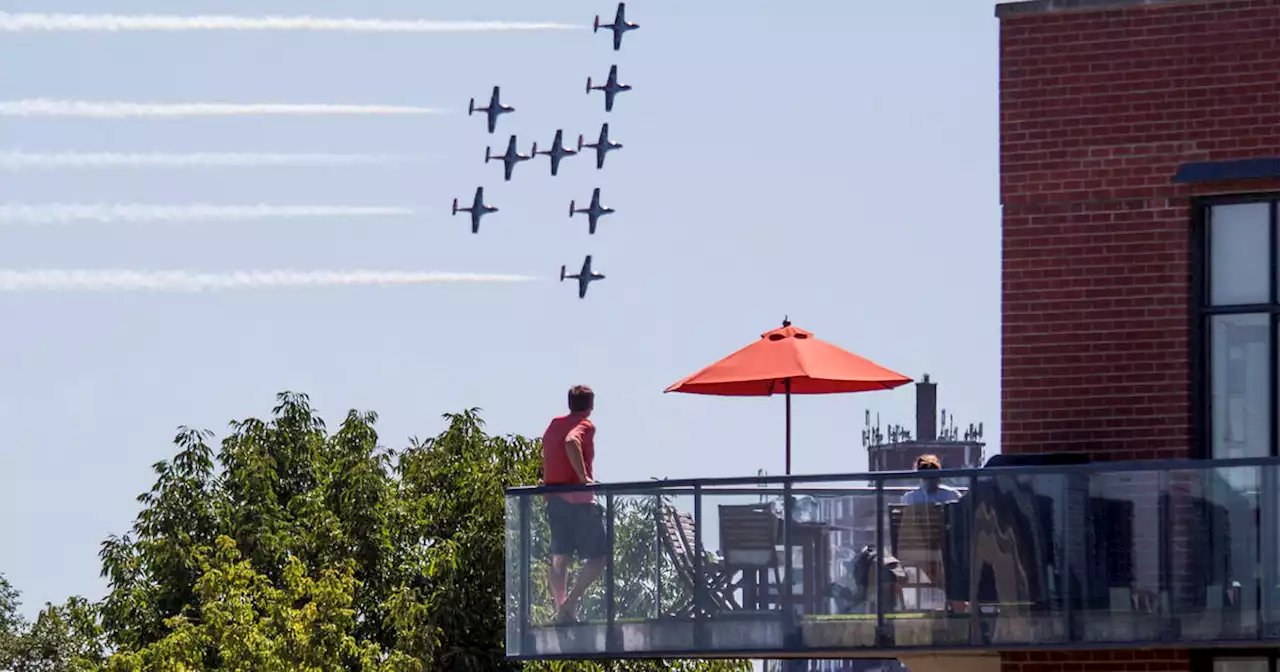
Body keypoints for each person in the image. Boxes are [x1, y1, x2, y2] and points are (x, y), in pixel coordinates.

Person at [541, 384, 607, 624]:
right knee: (599, 557)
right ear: (590, 405)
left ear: (570, 403)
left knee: (560, 558)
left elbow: (548, 449)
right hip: (579, 502)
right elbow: (571, 442)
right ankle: (570, 604)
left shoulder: (554, 424)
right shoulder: (586, 425)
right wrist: (584, 478)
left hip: (555, 499)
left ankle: (562, 611)